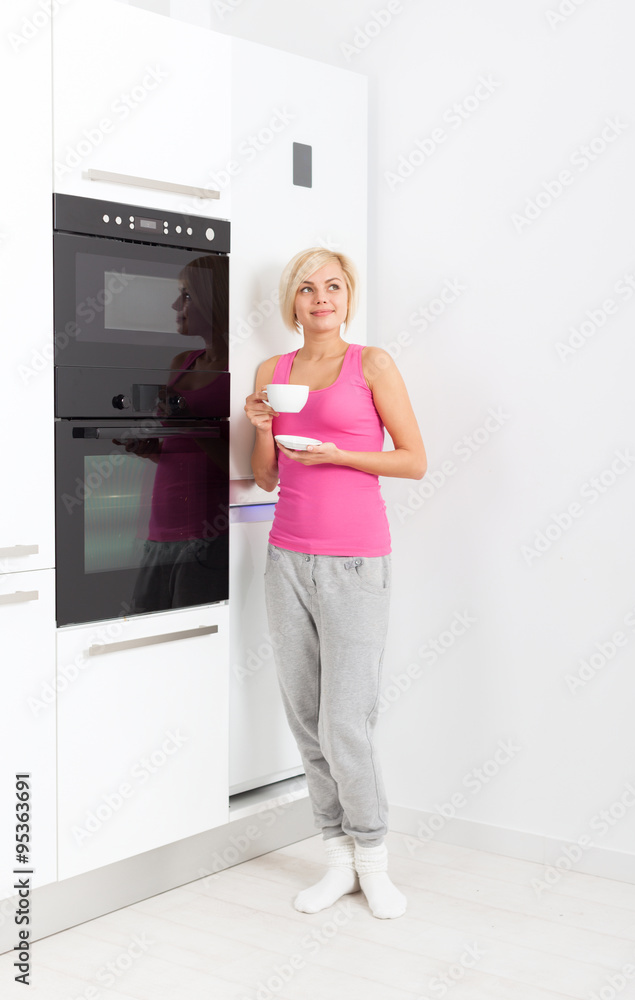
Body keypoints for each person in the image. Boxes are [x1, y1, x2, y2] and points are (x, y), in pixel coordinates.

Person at [244, 247, 426, 920]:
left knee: (344, 719)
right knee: (304, 718)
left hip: (355, 559)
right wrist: (263, 428)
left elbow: (413, 460)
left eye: (333, 286)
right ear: (291, 302)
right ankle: (336, 860)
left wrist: (338, 454)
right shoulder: (274, 371)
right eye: (307, 289)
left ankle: (374, 859)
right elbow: (265, 477)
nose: (320, 297)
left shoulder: (371, 364)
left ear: (348, 296)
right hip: (286, 556)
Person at [114, 255, 229, 612]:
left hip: (209, 532)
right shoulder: (183, 362)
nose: (176, 305)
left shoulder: (242, 367)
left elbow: (240, 463)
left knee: (194, 639)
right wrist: (150, 448)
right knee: (150, 634)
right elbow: (181, 442)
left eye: (187, 295)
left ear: (215, 301)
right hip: (160, 528)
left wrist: (188, 417)